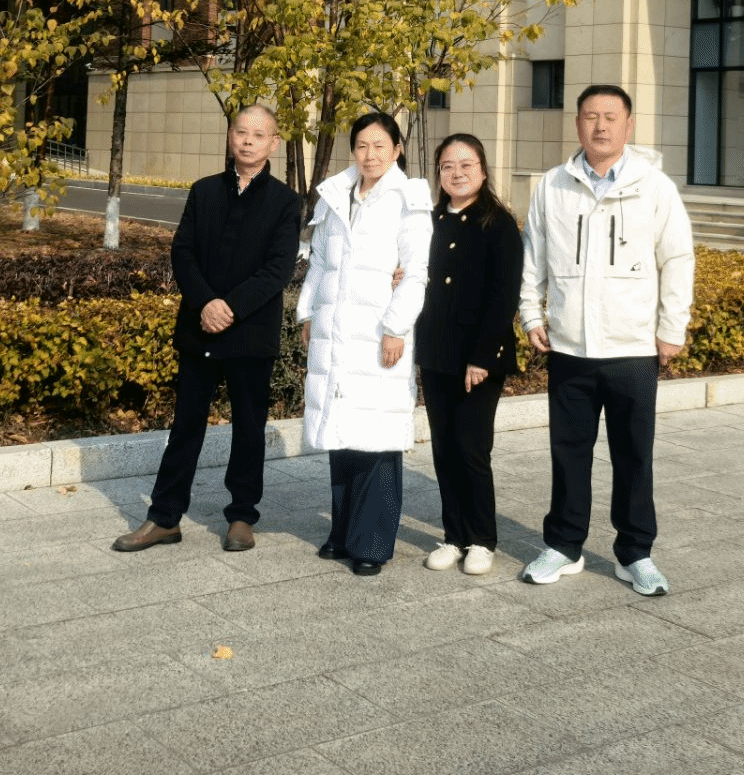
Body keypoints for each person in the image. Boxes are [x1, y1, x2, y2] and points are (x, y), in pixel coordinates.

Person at [517, 84, 694, 597]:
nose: (600, 126)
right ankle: (564, 546)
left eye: (610, 117)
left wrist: (671, 328)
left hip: (632, 349)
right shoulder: (553, 185)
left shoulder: (654, 187)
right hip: (570, 346)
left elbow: (677, 258)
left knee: (634, 455)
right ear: (577, 124)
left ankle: (635, 553)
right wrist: (530, 313)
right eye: (590, 116)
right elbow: (533, 254)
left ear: (628, 125)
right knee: (568, 452)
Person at [113, 105, 301, 554]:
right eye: (241, 132)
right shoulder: (203, 191)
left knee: (248, 429)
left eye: (259, 135)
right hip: (200, 328)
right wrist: (206, 303)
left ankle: (241, 516)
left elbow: (278, 269)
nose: (248, 141)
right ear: (230, 136)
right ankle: (164, 517)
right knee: (186, 427)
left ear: (274, 144)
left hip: (250, 333)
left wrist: (229, 307)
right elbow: (183, 253)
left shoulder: (285, 201)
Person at [297, 112, 431, 575]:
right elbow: (319, 262)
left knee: (376, 437)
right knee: (341, 432)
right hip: (336, 331)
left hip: (378, 334)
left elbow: (416, 272)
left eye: (380, 146)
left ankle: (371, 543)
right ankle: (343, 532)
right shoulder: (337, 194)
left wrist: (396, 327)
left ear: (397, 150)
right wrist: (308, 312)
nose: (370, 155)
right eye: (361, 146)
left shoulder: (408, 199)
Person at [415, 133, 522, 577]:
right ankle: (454, 535)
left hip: (478, 358)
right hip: (436, 353)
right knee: (444, 448)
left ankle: (481, 539)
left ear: (482, 170)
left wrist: (482, 357)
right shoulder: (430, 221)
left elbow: (503, 297)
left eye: (466, 165)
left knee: (472, 448)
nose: (456, 173)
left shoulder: (498, 224)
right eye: (447, 166)